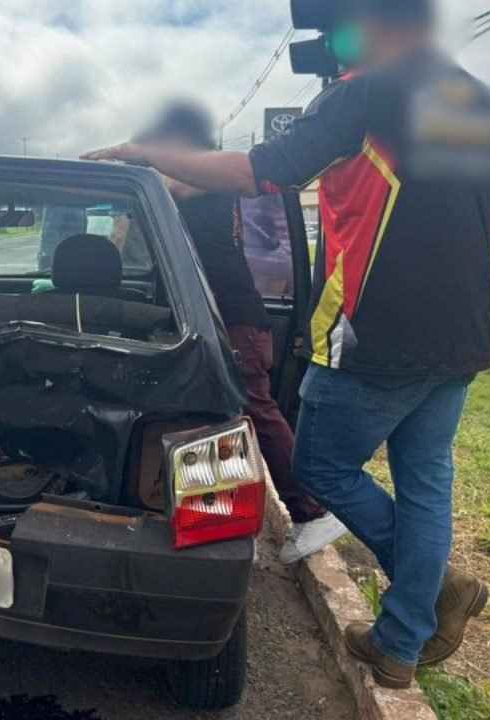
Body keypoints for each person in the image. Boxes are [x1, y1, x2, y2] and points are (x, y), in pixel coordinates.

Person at [83, 0, 490, 689]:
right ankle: (402, 640)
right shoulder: (481, 107)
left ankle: (432, 596)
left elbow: (262, 170)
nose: (335, 53)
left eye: (340, 36)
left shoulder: (366, 93)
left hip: (376, 331)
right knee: (427, 480)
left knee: (317, 464)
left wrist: (143, 153)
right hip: (462, 334)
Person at [136, 102, 347, 565]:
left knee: (257, 414)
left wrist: (138, 156)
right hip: (218, 319)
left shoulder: (203, 177)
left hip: (236, 320)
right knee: (219, 421)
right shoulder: (196, 180)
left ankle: (312, 512)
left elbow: (172, 184)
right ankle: (214, 515)